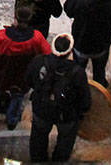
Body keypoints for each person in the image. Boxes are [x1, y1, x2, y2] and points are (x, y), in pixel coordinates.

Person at [26, 33, 91, 163]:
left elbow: (29, 81)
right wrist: (83, 111)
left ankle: (38, 159)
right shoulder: (77, 72)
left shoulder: (39, 61)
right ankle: (59, 160)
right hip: (66, 115)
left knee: (38, 135)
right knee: (65, 140)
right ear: (70, 52)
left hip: (42, 108)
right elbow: (84, 99)